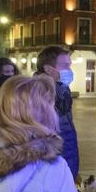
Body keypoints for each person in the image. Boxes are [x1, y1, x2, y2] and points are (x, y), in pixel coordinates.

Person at [35, 46, 79, 178]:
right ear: (48, 69)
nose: (69, 70)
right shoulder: (39, 95)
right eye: (65, 66)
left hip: (66, 160)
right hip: (52, 167)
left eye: (69, 65)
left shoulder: (62, 92)